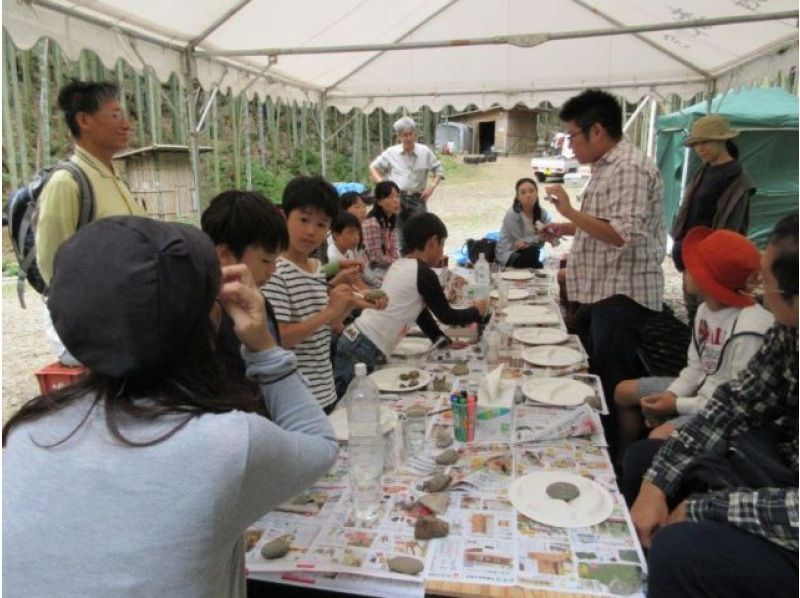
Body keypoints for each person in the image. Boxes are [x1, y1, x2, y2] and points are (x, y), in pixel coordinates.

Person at [2, 216, 339, 597]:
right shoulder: (226, 443)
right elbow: (321, 445)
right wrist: (263, 347)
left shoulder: (27, 432)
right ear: (211, 316)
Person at [627, 213, 798, 598]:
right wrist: (657, 482)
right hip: (776, 467)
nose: (758, 296)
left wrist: (704, 507)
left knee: (679, 549)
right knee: (644, 461)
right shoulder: (789, 332)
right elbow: (736, 403)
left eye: (765, 284)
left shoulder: (759, 325)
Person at [541, 89, 666, 450]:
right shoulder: (608, 166)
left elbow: (622, 234)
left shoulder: (628, 167)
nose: (570, 144)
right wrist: (565, 227)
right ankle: (609, 447)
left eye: (572, 136)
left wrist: (570, 212)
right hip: (606, 290)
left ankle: (621, 457)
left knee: (615, 382)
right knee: (597, 367)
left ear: (596, 131)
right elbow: (604, 224)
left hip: (623, 293)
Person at [614, 228, 773, 458]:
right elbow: (695, 368)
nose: (685, 270)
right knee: (623, 391)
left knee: (658, 438)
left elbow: (734, 405)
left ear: (709, 280)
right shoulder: (705, 310)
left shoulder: (750, 331)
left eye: (692, 267)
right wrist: (671, 394)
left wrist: (676, 405)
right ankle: (621, 459)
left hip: (721, 411)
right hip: (698, 391)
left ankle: (651, 466)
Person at [36, 79, 145, 365]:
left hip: (125, 317)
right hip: (91, 329)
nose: (126, 125)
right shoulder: (67, 182)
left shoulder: (113, 178)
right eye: (116, 115)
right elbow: (53, 269)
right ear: (84, 120)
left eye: (125, 116)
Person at [333, 212, 489, 397]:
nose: (442, 252)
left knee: (356, 398)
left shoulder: (401, 264)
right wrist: (476, 311)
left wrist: (442, 340)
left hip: (358, 338)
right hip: (364, 345)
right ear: (433, 242)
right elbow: (447, 315)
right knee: (351, 401)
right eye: (442, 245)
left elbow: (419, 313)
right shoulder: (423, 273)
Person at [262, 176, 382, 412]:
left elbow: (324, 327)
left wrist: (353, 303)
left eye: (321, 224)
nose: (311, 231)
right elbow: (282, 337)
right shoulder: (275, 273)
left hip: (325, 389)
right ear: (284, 217)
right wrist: (330, 311)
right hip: (296, 400)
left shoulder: (315, 267)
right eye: (303, 219)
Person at [201, 190, 288, 406]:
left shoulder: (258, 304)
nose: (273, 271)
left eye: (276, 261)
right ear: (224, 254)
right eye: (266, 261)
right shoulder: (205, 319)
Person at [670, 114, 755, 324]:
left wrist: (714, 262)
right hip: (691, 253)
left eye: (705, 141)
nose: (700, 148)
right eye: (696, 143)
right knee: (694, 313)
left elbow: (731, 228)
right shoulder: (704, 170)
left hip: (712, 260)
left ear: (723, 140)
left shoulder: (736, 176)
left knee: (711, 316)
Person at [369, 116, 445, 251]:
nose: (408, 138)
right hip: (397, 198)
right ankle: (400, 259)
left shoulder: (425, 152)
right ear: (399, 136)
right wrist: (383, 186)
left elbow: (439, 170)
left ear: (415, 134)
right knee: (398, 234)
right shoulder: (391, 152)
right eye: (405, 135)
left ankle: (418, 260)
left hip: (418, 198)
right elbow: (373, 167)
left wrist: (431, 187)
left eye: (411, 134)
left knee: (420, 234)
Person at [496, 177, 553, 268]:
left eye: (531, 191)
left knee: (534, 253)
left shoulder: (543, 213)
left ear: (537, 193)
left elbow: (551, 234)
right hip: (509, 252)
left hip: (530, 250)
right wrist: (541, 236)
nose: (528, 195)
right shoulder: (513, 214)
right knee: (533, 255)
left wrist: (550, 235)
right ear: (518, 197)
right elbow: (521, 242)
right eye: (523, 193)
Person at [361, 180, 401, 279]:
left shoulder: (391, 220)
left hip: (387, 266)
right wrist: (398, 263)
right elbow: (375, 258)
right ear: (379, 201)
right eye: (390, 197)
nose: (396, 201)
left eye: (397, 196)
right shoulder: (372, 223)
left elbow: (394, 250)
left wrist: (399, 261)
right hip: (373, 269)